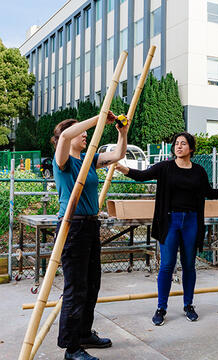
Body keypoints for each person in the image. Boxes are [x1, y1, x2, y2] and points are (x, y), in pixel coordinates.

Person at [115, 132, 218, 326]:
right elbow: (142, 175)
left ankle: (188, 305)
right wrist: (122, 168)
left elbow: (209, 192)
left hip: (191, 221)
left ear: (191, 148)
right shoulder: (165, 167)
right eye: (176, 144)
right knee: (167, 265)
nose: (178, 146)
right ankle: (161, 308)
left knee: (189, 265)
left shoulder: (199, 171)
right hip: (169, 221)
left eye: (183, 144)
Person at [51, 111, 128, 360]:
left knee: (92, 283)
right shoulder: (63, 160)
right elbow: (64, 136)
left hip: (91, 225)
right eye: (80, 132)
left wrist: (121, 132)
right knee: (76, 288)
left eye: (85, 132)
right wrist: (99, 118)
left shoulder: (89, 159)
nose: (85, 135)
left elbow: (118, 155)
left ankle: (84, 333)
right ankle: (71, 348)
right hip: (72, 226)